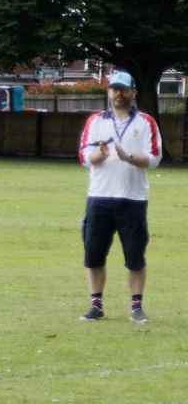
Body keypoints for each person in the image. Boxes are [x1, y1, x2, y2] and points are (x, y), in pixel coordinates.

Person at [78, 71, 161, 322]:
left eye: (123, 89)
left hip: (132, 198)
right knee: (93, 255)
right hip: (99, 196)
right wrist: (100, 155)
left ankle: (136, 307)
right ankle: (96, 305)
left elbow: (154, 157)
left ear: (133, 92)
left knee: (135, 256)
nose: (118, 93)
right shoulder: (95, 121)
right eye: (114, 88)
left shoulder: (146, 122)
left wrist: (130, 158)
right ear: (108, 91)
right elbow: (84, 156)